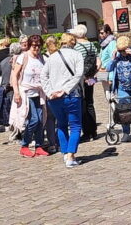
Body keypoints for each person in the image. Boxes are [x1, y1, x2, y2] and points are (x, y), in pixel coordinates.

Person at [44, 32, 85, 168]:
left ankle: (65, 153)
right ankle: (70, 155)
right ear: (73, 42)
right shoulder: (77, 55)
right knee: (75, 126)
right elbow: (79, 74)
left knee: (61, 125)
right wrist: (66, 89)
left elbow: (43, 76)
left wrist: (49, 92)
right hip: (71, 95)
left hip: (54, 97)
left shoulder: (52, 57)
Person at [11, 34, 48, 157]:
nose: (36, 49)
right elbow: (14, 75)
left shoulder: (42, 58)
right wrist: (16, 92)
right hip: (26, 93)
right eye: (34, 46)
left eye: (38, 46)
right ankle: (24, 145)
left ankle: (39, 145)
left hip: (39, 93)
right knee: (34, 120)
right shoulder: (23, 57)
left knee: (41, 120)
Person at [106, 35, 131, 143]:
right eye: (121, 50)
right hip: (122, 87)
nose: (122, 52)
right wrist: (113, 59)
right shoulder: (116, 53)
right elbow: (108, 68)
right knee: (124, 109)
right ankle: (126, 132)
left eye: (124, 50)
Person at [70, 24, 99, 142]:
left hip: (81, 78)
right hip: (91, 77)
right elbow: (98, 61)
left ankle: (87, 132)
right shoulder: (91, 44)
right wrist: (93, 74)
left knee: (82, 104)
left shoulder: (77, 47)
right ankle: (93, 131)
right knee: (90, 103)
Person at [0, 43, 18, 131]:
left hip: (7, 89)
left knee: (10, 110)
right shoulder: (20, 60)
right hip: (17, 89)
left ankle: (12, 128)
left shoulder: (4, 61)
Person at [98, 24, 116, 102]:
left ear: (108, 32)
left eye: (102, 33)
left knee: (112, 97)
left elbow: (113, 59)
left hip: (109, 73)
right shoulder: (104, 43)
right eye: (100, 33)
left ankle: (117, 113)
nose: (100, 35)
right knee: (107, 95)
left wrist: (111, 77)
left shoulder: (111, 43)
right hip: (104, 72)